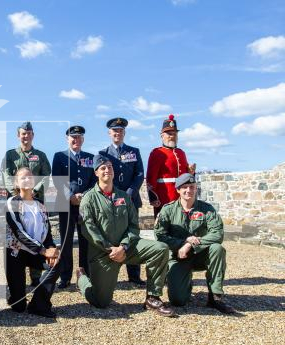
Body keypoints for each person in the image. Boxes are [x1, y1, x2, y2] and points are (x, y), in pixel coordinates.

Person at [78, 155, 176, 317]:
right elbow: (88, 230)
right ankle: (82, 279)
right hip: (103, 253)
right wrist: (111, 249)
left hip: (127, 248)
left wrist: (123, 246)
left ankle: (153, 297)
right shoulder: (89, 199)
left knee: (160, 248)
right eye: (103, 168)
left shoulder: (123, 196)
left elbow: (133, 226)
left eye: (109, 167)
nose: (107, 170)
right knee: (101, 302)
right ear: (96, 173)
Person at [154, 173, 235, 314]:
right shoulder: (168, 210)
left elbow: (218, 233)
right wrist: (182, 242)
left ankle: (215, 297)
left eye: (192, 187)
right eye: (184, 187)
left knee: (217, 249)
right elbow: (160, 236)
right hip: (179, 257)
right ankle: (185, 282)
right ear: (177, 189)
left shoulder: (207, 209)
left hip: (201, 255)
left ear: (196, 188)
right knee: (178, 301)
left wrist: (191, 244)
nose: (189, 190)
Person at [2, 121, 51, 286]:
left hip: (36, 200)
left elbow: (47, 176)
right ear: (18, 135)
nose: (26, 136)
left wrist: (34, 190)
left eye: (29, 133)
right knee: (18, 235)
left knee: (37, 232)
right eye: (23, 133)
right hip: (17, 203)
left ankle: (36, 276)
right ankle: (17, 276)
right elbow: (6, 176)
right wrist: (16, 193)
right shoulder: (10, 155)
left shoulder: (41, 155)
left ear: (33, 135)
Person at [6, 167, 60, 318]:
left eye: (30, 177)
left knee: (58, 261)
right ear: (17, 183)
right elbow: (19, 233)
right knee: (18, 307)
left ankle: (38, 304)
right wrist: (43, 251)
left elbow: (47, 233)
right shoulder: (12, 202)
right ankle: (15, 297)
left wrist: (52, 249)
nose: (27, 180)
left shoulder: (41, 204)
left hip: (35, 253)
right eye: (22, 178)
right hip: (16, 253)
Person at [99, 117, 146, 286]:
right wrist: (116, 193)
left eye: (120, 130)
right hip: (111, 199)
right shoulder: (103, 154)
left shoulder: (134, 151)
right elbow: (103, 175)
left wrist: (130, 192)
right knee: (112, 235)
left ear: (124, 133)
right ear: (109, 133)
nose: (117, 133)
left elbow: (140, 173)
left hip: (131, 200)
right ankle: (110, 275)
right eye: (114, 130)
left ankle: (134, 275)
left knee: (132, 235)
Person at [51, 125, 95, 289]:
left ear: (83, 139)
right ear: (67, 139)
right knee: (66, 241)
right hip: (65, 203)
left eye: (79, 137)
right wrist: (70, 196)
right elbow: (57, 179)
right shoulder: (59, 156)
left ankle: (85, 274)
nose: (76, 140)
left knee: (86, 241)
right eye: (73, 137)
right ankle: (65, 276)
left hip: (85, 204)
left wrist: (84, 196)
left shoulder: (90, 157)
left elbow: (93, 180)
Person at [146, 114, 195, 217]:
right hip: (164, 196)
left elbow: (185, 175)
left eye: (174, 133)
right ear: (162, 135)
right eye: (169, 133)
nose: (172, 136)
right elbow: (151, 177)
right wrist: (153, 197)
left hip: (182, 196)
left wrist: (191, 172)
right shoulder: (157, 153)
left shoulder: (181, 153)